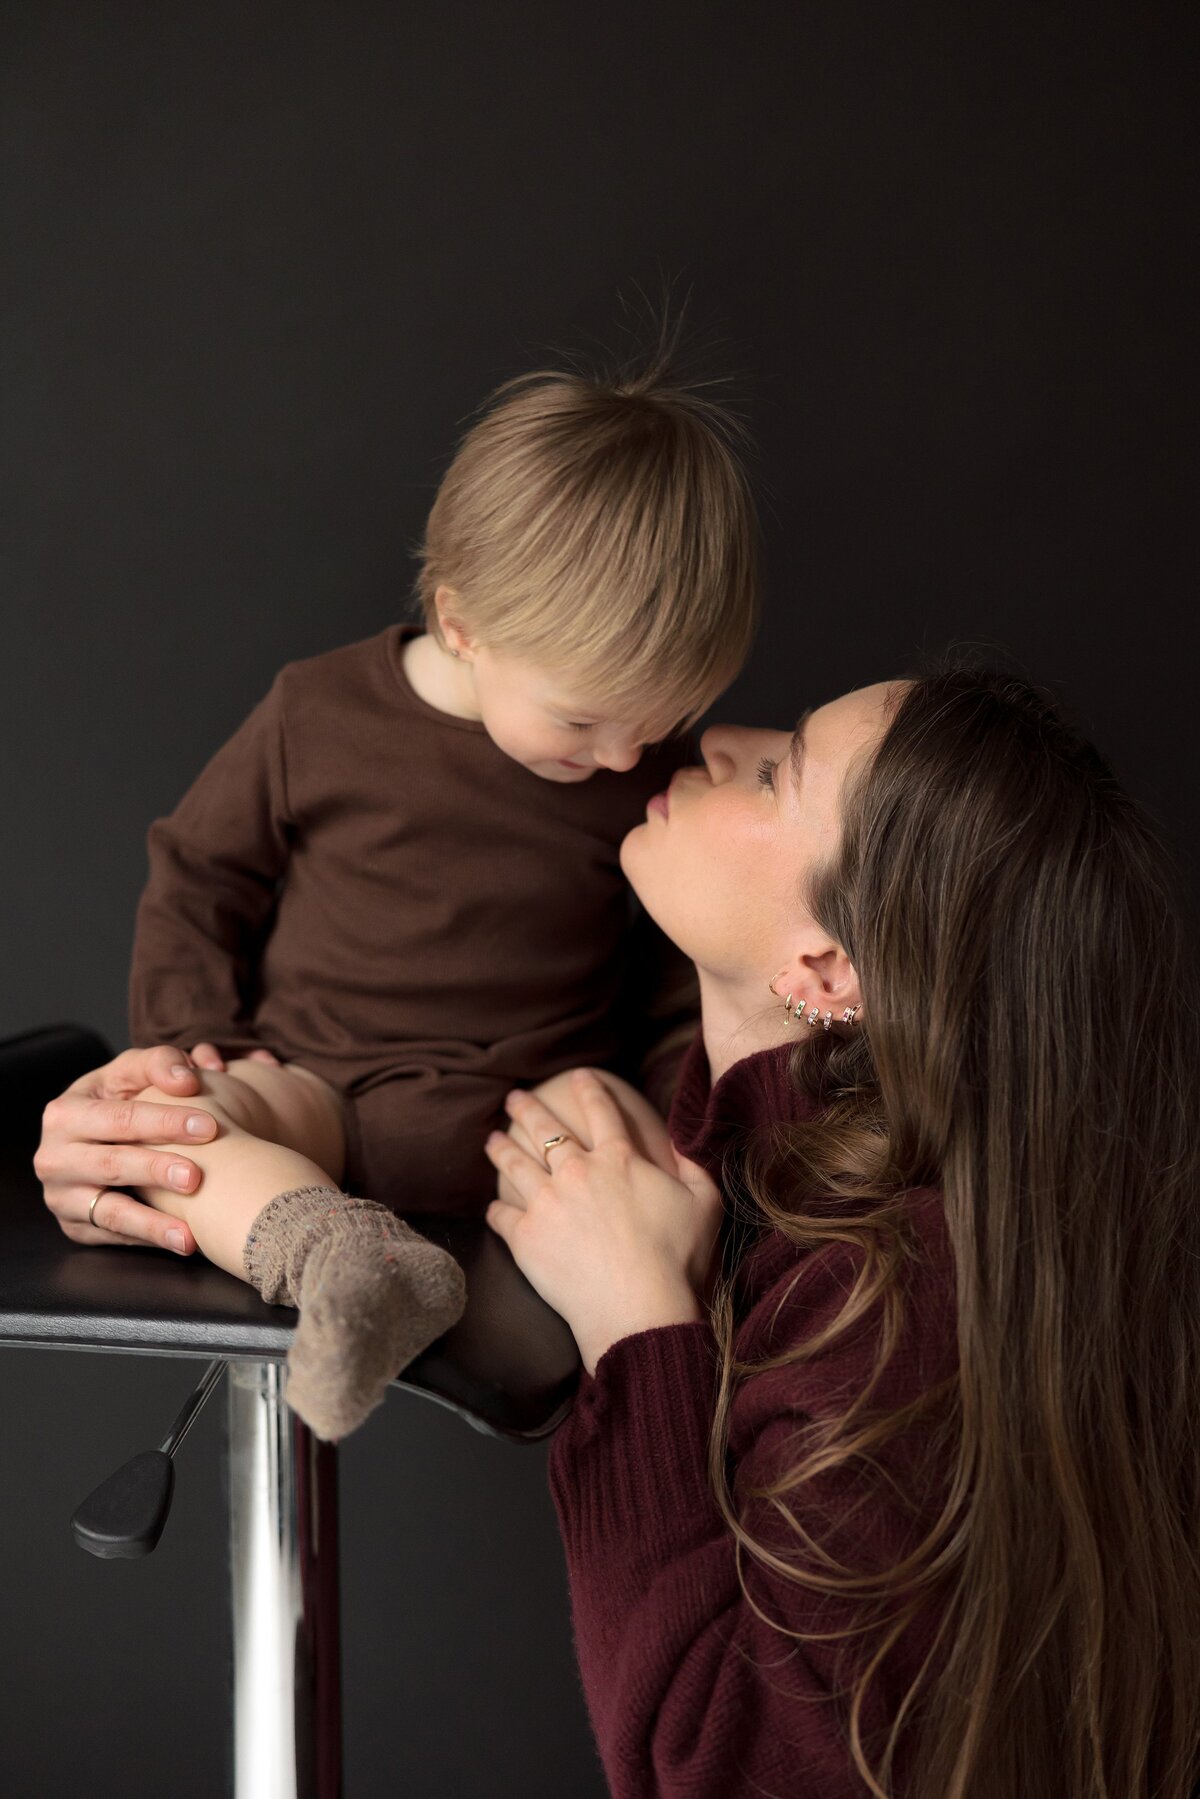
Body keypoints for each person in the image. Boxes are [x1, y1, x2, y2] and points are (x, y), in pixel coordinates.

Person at [36, 665, 1200, 1795]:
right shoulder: (691, 1131)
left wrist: (637, 1324)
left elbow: (730, 1771)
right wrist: (147, 1128)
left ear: (827, 965)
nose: (720, 741)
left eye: (779, 772)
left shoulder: (895, 1285)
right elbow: (363, 1095)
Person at [39, 351, 759, 1441]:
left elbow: (675, 971)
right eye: (583, 722)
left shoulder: (638, 772)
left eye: (653, 723)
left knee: (627, 1134)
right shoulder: (318, 714)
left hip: (530, 1122)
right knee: (172, 1140)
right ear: (462, 621)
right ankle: (345, 1254)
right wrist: (195, 1051)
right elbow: (199, 875)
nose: (624, 756)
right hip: (314, 1096)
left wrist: (663, 1107)